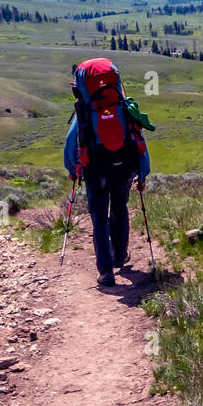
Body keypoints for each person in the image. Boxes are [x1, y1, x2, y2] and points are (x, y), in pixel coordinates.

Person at [63, 58, 150, 286]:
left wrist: (73, 169)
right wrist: (142, 173)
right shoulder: (124, 106)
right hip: (123, 169)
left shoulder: (86, 111)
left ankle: (105, 272)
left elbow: (71, 143)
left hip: (95, 172)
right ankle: (120, 255)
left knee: (98, 218)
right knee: (120, 207)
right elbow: (138, 139)